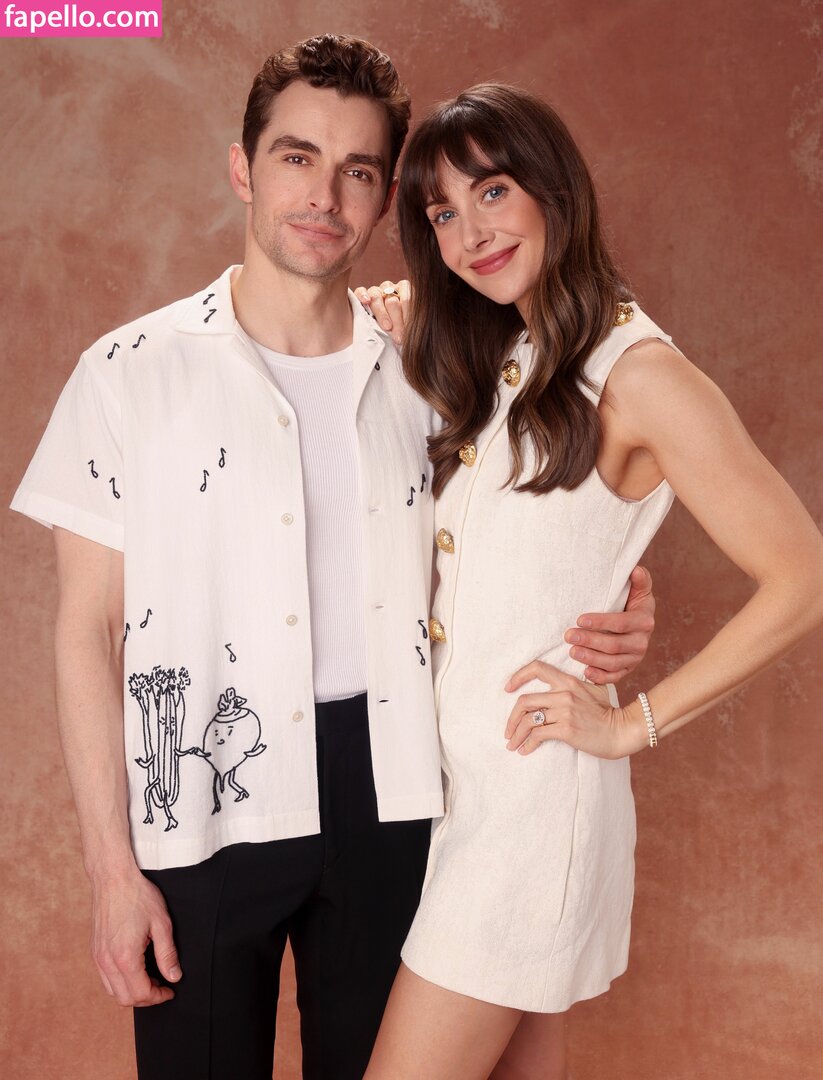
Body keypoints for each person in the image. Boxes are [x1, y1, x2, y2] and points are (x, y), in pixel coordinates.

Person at [9, 39, 658, 1080]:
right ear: (243, 169)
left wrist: (622, 600)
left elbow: (531, 531)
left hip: (395, 789)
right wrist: (110, 870)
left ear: (385, 197)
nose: (323, 196)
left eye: (357, 170)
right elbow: (87, 631)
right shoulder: (128, 372)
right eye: (296, 158)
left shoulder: (439, 368)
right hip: (202, 789)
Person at [356, 84, 823, 1080]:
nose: (470, 233)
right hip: (466, 801)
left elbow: (803, 577)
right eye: (441, 212)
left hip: (532, 814)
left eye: (492, 191)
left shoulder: (639, 375)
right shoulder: (513, 360)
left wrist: (629, 724)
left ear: (552, 187)